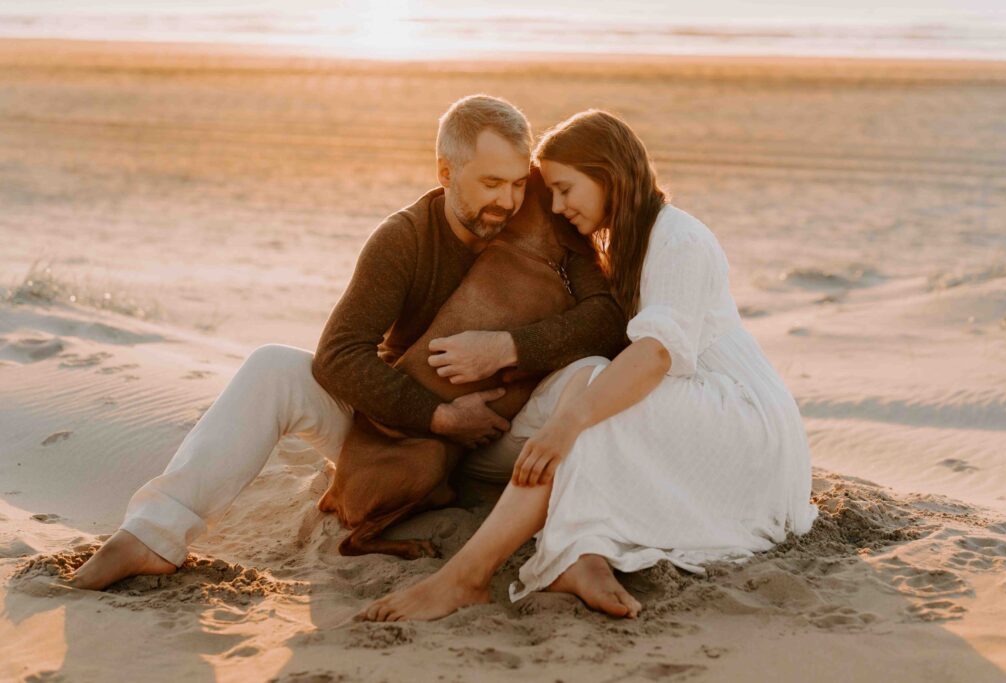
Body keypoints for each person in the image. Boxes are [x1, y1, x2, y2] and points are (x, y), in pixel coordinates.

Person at [69, 96, 626, 591]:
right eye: (488, 184)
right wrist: (437, 417)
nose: (506, 201)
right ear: (445, 171)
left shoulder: (539, 212)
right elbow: (339, 356)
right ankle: (151, 535)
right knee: (271, 366)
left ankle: (582, 547)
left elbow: (605, 316)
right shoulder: (403, 239)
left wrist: (508, 347)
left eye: (516, 182)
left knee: (597, 372)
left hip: (504, 437)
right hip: (395, 434)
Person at [358, 109, 820, 622]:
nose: (555, 206)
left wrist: (568, 422)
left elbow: (655, 354)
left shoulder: (680, 239)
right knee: (588, 396)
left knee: (588, 404)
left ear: (608, 176)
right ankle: (579, 555)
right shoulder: (633, 239)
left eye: (565, 189)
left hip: (739, 417)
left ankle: (466, 576)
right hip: (696, 401)